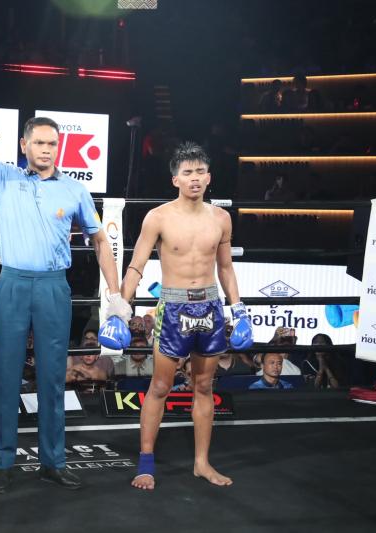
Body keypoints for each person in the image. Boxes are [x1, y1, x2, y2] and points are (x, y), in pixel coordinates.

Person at [0, 114, 131, 493]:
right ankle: (2, 463)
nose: (47, 150)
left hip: (53, 287)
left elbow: (100, 241)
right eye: (39, 143)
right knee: (6, 375)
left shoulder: (74, 190)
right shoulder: (5, 176)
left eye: (52, 143)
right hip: (13, 284)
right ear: (24, 145)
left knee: (52, 378)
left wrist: (115, 295)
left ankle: (53, 462)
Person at [120, 141, 252, 490]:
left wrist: (238, 309)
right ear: (175, 179)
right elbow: (136, 265)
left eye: (200, 172)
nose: (194, 178)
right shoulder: (158, 217)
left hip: (210, 306)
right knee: (161, 386)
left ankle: (201, 463)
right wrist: (120, 308)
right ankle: (146, 464)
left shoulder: (221, 218)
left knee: (204, 385)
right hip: (173, 308)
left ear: (209, 177)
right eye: (187, 172)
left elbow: (226, 268)